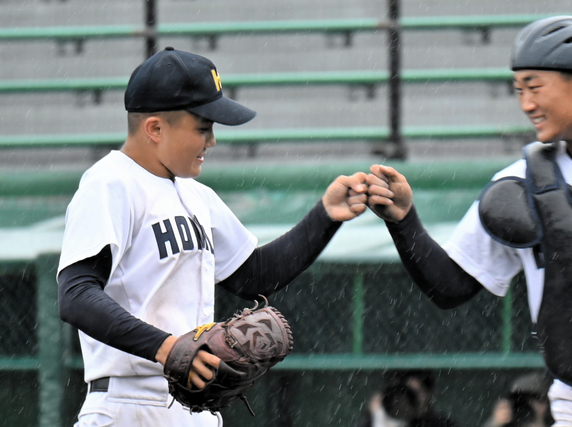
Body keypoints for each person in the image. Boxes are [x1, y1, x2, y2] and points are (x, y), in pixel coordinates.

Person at [56, 47, 368, 427]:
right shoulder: (109, 183)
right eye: (203, 128)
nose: (212, 141)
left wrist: (325, 217)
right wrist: (167, 348)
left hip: (192, 407)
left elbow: (255, 275)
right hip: (127, 404)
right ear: (155, 128)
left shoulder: (196, 194)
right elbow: (75, 295)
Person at [365, 16, 572, 426]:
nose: (526, 103)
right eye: (518, 90)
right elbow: (450, 286)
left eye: (534, 86)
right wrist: (404, 220)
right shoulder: (519, 186)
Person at [357, 370, 458, 427]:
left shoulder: (441, 424)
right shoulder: (378, 418)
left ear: (430, 394)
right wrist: (374, 415)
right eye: (405, 393)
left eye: (417, 392)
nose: (410, 399)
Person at [483, 372, 554, 427]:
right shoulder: (507, 422)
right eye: (519, 401)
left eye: (533, 399)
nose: (524, 407)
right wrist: (495, 422)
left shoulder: (559, 421)